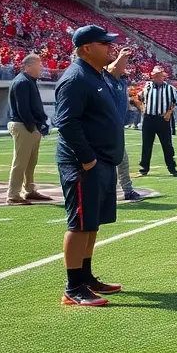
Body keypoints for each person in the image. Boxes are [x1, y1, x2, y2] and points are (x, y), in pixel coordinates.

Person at [54, 25, 128, 307]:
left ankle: (85, 276)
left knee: (92, 222)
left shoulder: (95, 74)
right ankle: (73, 287)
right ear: (86, 48)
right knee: (80, 223)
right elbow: (67, 123)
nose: (110, 47)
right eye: (104, 43)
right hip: (84, 164)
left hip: (102, 160)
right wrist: (87, 158)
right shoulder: (76, 79)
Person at [6, 54, 52, 205]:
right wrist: (34, 126)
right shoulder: (22, 82)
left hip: (29, 126)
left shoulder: (28, 81)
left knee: (31, 162)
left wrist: (40, 123)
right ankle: (13, 195)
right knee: (20, 162)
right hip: (24, 126)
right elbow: (23, 109)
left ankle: (29, 190)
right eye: (39, 64)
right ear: (28, 66)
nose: (41, 68)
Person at [106, 48, 144, 202]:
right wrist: (121, 56)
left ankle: (127, 190)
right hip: (107, 128)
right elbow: (111, 69)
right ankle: (112, 191)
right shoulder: (109, 78)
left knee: (122, 161)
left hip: (117, 127)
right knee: (111, 162)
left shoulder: (121, 80)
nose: (125, 66)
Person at [139, 65, 177, 177]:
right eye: (155, 76)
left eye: (159, 76)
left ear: (163, 76)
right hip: (148, 119)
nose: (156, 78)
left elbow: (174, 102)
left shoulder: (170, 88)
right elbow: (139, 98)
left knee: (167, 144)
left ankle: (172, 167)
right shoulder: (147, 86)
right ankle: (144, 167)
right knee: (146, 144)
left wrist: (169, 113)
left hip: (162, 119)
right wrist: (142, 108)